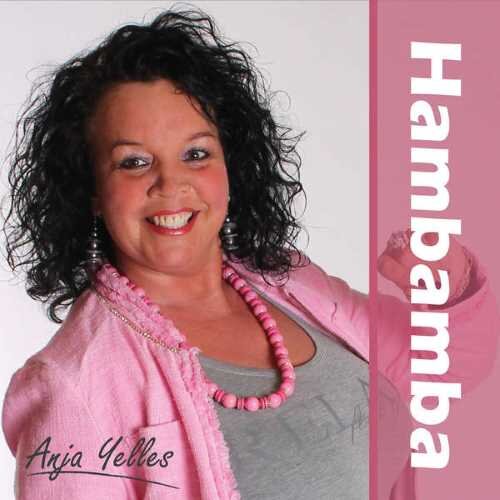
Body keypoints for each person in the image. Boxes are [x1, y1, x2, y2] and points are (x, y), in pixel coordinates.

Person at [0, 7, 494, 500]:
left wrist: (450, 284)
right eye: (134, 162)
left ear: (230, 163)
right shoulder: (72, 385)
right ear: (90, 188)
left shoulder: (289, 283)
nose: (171, 183)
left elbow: (440, 373)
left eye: (196, 154)